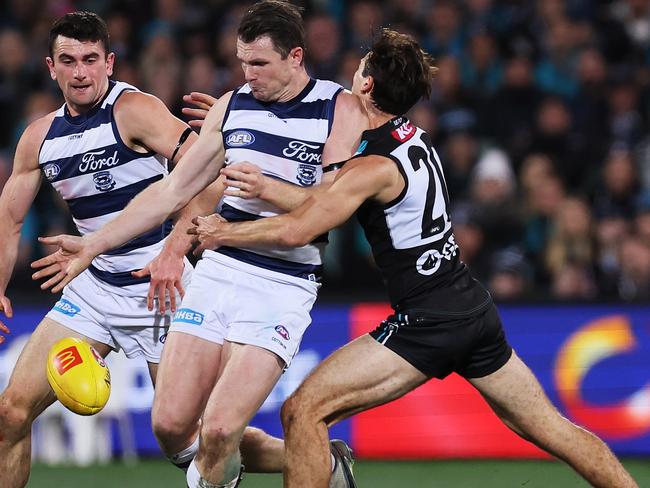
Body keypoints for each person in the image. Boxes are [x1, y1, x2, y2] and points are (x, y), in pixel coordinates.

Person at [182, 30, 638, 488]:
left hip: (428, 317)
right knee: (551, 429)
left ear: (367, 87)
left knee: (303, 410)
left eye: (360, 68)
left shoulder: (370, 166)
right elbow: (319, 196)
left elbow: (304, 225)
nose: (352, 73)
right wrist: (253, 124)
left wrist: (226, 231)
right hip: (469, 304)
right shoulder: (411, 137)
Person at [32, 2, 366, 487]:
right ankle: (319, 466)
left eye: (259, 64)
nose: (247, 75)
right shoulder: (233, 106)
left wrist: (268, 188)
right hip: (218, 272)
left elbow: (334, 208)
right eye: (242, 61)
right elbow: (171, 190)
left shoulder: (338, 109)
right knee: (170, 425)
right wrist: (93, 246)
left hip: (283, 282)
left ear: (296, 56)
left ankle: (322, 470)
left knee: (220, 427)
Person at [0, 11, 282, 487]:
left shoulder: (135, 110)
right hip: (93, 289)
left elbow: (206, 180)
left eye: (91, 59)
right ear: (51, 68)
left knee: (189, 442)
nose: (80, 72)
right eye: (68, 61)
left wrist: (175, 251)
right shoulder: (39, 138)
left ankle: (310, 455)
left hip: (162, 290)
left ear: (109, 62)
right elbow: (9, 218)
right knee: (10, 412)